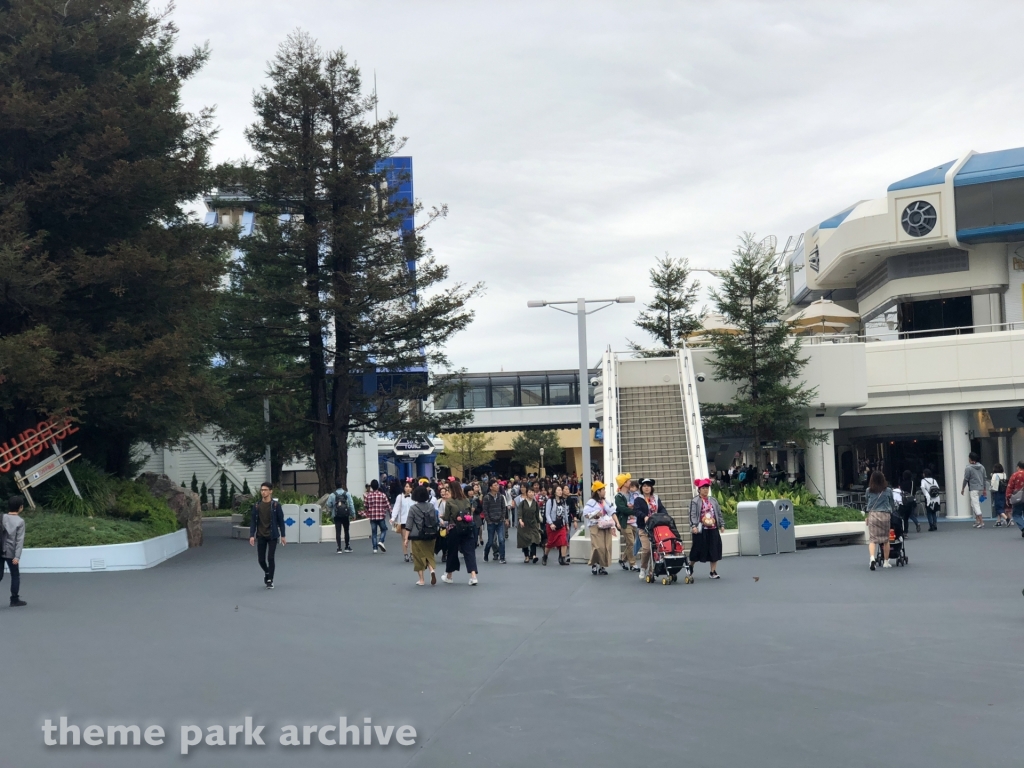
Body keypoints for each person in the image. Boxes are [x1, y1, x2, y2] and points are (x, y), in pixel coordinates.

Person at [248, 482, 286, 589]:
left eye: (265, 490)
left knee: (270, 557)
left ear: (270, 491)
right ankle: (267, 572)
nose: (263, 492)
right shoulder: (257, 506)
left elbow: (281, 521)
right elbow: (253, 521)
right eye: (262, 490)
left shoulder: (276, 506)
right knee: (261, 560)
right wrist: (252, 535)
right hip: (261, 535)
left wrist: (283, 535)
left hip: (272, 535)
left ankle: (270, 580)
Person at [441, 482, 479, 585]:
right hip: (467, 528)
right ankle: (473, 576)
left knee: (452, 552)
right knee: (469, 552)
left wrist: (441, 516)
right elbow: (469, 513)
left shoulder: (450, 501)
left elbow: (447, 517)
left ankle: (449, 575)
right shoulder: (466, 500)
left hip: (455, 529)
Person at [689, 478, 723, 579]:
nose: (705, 490)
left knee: (714, 549)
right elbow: (692, 515)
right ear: (699, 489)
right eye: (703, 488)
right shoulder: (695, 501)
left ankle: (713, 571)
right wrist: (694, 526)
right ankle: (690, 566)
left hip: (713, 528)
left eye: (707, 488)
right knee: (697, 550)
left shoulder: (713, 500)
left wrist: (722, 524)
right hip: (701, 529)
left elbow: (718, 513)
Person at [406, 485, 440, 586]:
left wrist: (406, 539)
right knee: (429, 554)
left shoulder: (413, 508)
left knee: (418, 557)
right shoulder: (431, 506)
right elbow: (435, 520)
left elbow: (409, 524)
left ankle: (421, 580)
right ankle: (431, 570)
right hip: (431, 534)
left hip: (417, 536)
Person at [632, 478, 664, 579]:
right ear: (641, 488)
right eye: (645, 486)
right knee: (646, 549)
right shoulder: (638, 499)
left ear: (651, 488)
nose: (646, 488)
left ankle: (651, 570)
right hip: (644, 528)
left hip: (656, 527)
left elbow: (661, 508)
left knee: (654, 549)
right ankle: (643, 568)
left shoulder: (656, 498)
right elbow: (636, 511)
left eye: (648, 486)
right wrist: (644, 516)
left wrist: (665, 516)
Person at [584, 481, 617, 576]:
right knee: (597, 547)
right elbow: (586, 514)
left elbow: (612, 511)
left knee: (606, 546)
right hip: (595, 526)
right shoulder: (591, 502)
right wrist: (595, 515)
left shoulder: (605, 501)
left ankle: (602, 566)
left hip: (606, 525)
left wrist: (616, 523)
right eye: (603, 489)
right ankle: (594, 564)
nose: (605, 491)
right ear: (598, 491)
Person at [865, 470, 895, 570]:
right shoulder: (888, 490)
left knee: (872, 540)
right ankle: (886, 562)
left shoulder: (869, 490)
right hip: (885, 515)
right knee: (886, 540)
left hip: (873, 515)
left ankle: (872, 559)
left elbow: (867, 502)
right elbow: (892, 503)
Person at [1, 495, 27, 607]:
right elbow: (19, 541)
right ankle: (14, 599)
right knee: (15, 575)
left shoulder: (2, 517)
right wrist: (17, 556)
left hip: (0, 550)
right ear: (20, 507)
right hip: (11, 552)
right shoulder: (20, 521)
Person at [613, 473, 638, 572]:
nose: (630, 482)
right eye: (628, 481)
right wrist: (634, 511)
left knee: (631, 544)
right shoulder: (618, 496)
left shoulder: (633, 493)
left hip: (634, 522)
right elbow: (622, 508)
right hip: (625, 522)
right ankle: (633, 564)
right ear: (623, 483)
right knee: (631, 542)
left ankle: (623, 559)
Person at [543, 485, 571, 565]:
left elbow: (565, 513)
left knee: (564, 541)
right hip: (552, 525)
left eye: (561, 490)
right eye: (558, 490)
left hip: (561, 525)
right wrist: (551, 523)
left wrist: (567, 523)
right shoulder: (550, 501)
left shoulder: (563, 501)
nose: (560, 492)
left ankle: (562, 558)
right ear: (554, 492)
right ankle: (545, 556)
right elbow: (547, 514)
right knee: (550, 543)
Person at [482, 479, 507, 564]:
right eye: (495, 485)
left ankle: (502, 557)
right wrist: (488, 520)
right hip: (491, 522)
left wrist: (502, 518)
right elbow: (485, 510)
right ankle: (486, 554)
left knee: (501, 540)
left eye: (497, 485)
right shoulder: (487, 497)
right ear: (490, 487)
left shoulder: (501, 497)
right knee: (490, 541)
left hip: (500, 521)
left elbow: (504, 508)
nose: (497, 486)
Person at [363, 479, 391, 553]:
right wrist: (391, 514)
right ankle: (381, 541)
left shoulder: (368, 496)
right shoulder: (382, 495)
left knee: (374, 532)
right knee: (384, 529)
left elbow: (365, 505)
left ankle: (375, 548)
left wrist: (368, 510)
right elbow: (388, 505)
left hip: (372, 516)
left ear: (371, 487)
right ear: (378, 486)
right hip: (381, 516)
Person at [961, 452, 988, 528]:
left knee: (975, 505)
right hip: (981, 487)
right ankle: (977, 520)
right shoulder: (982, 467)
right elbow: (984, 478)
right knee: (973, 504)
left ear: (970, 459)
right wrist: (984, 489)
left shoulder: (968, 468)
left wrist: (963, 488)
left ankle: (981, 522)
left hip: (973, 488)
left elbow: (966, 479)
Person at [327, 483, 356, 553]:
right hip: (345, 515)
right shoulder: (347, 494)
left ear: (335, 486)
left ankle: (339, 548)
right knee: (346, 530)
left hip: (336, 515)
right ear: (342, 486)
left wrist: (334, 507)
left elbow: (328, 504)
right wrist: (353, 514)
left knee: (338, 531)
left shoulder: (332, 495)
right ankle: (347, 546)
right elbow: (351, 504)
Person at [516, 487, 542, 563]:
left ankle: (534, 556)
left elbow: (537, 514)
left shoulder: (535, 503)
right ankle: (526, 556)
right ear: (527, 493)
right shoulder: (522, 503)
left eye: (532, 492)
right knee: (524, 540)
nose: (531, 494)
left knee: (534, 539)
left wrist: (538, 524)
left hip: (533, 523)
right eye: (530, 492)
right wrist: (520, 521)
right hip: (524, 524)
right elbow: (519, 513)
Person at [390, 481, 414, 561]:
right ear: (404, 488)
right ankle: (405, 554)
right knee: (404, 538)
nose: (408, 488)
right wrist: (393, 518)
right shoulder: (399, 497)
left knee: (412, 538)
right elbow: (396, 508)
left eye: (409, 487)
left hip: (412, 520)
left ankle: (412, 554)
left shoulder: (413, 497)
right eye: (406, 487)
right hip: (403, 521)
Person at [1005, 461, 1024, 537]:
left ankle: (1023, 527)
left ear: (1018, 467)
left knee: (1016, 514)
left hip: (1018, 497)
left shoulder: (1015, 475)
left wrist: (1008, 497)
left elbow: (1010, 487)